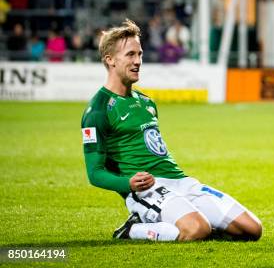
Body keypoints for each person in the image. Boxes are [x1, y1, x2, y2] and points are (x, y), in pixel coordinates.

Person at [81, 19, 262, 241]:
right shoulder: (98, 110)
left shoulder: (146, 102)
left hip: (182, 182)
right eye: (130, 55)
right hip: (148, 188)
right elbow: (94, 173)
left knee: (252, 229)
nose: (138, 61)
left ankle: (186, 219)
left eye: (140, 54)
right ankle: (133, 229)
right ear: (110, 60)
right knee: (197, 230)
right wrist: (127, 184)